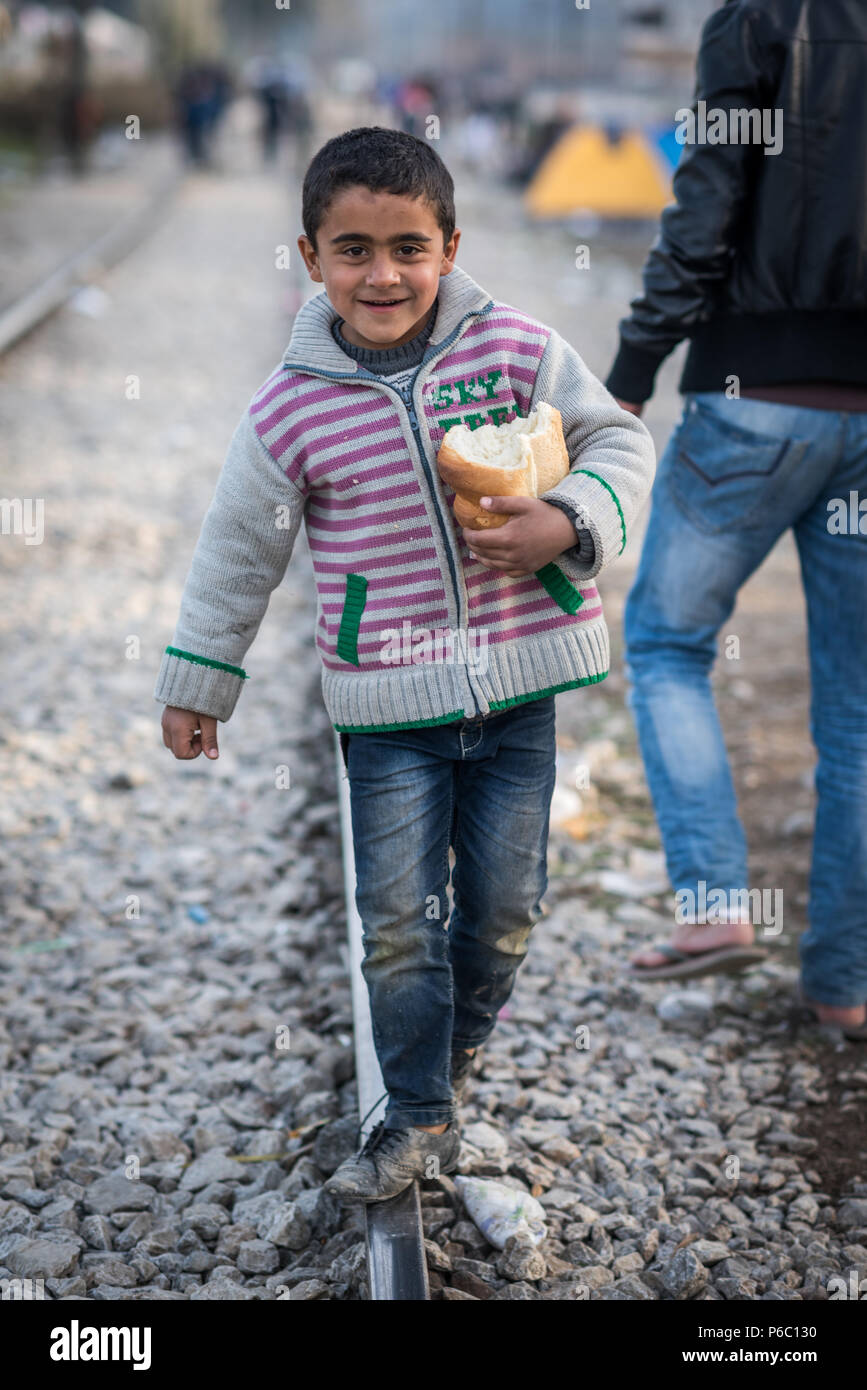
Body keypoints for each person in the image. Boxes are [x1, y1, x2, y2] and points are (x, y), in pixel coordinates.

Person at [155, 126, 655, 1200]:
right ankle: (420, 1114)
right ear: (310, 257)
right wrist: (202, 680)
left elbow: (620, 440)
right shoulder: (290, 409)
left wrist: (566, 523)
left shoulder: (516, 350)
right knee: (394, 923)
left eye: (408, 247)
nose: (382, 274)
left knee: (506, 910)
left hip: (520, 694)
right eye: (353, 249)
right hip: (386, 713)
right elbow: (241, 548)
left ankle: (451, 1051)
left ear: (450, 246)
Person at [603, 0, 867, 1039]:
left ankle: (714, 903)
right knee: (856, 711)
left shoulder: (760, 15)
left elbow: (705, 208)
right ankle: (844, 984)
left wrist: (632, 368)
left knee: (669, 641)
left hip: (757, 395)